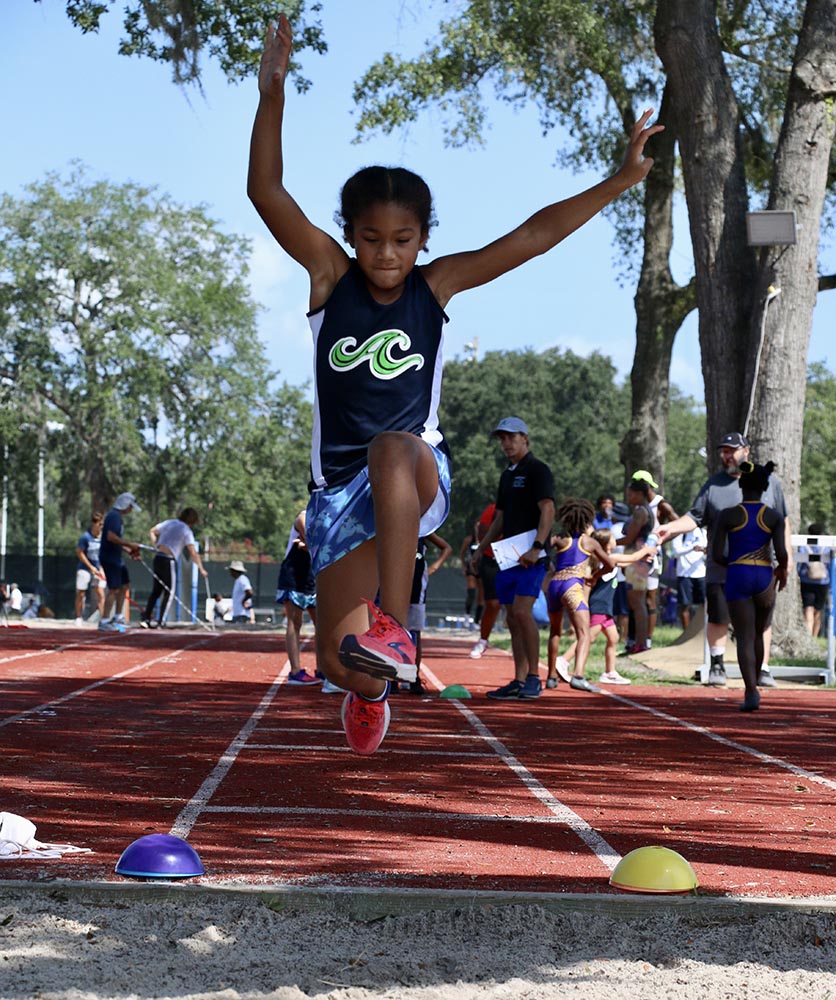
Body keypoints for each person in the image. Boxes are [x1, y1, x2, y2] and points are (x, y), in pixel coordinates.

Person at [248, 15, 662, 753]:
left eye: (402, 241)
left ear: (424, 239)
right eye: (371, 239)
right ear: (349, 234)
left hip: (414, 468)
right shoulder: (327, 278)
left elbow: (532, 235)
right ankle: (374, 683)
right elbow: (266, 190)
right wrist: (272, 93)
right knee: (342, 667)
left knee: (391, 444)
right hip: (338, 486)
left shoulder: (434, 288)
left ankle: (397, 629)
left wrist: (622, 179)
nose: (386, 254)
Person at [657, 432, 791, 688]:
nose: (726, 455)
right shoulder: (714, 486)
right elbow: (695, 517)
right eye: (723, 451)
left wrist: (787, 561)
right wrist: (671, 528)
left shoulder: (769, 482)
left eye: (731, 450)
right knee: (719, 617)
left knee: (762, 622)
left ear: (746, 451)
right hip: (723, 571)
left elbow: (783, 521)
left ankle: (761, 669)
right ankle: (717, 665)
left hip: (761, 570)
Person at [471, 417, 555, 700]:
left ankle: (534, 677)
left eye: (510, 437)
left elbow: (548, 510)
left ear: (525, 438)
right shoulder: (507, 475)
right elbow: (500, 518)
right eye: (501, 438)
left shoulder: (538, 470)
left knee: (522, 612)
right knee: (512, 619)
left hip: (532, 556)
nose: (505, 443)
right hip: (508, 556)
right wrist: (480, 547)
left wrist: (537, 546)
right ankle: (518, 680)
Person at [712, 461, 788, 711]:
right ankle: (756, 682)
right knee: (759, 630)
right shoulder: (773, 516)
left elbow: (717, 555)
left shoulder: (729, 515)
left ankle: (751, 690)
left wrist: (733, 565)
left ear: (741, 484)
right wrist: (781, 570)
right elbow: (782, 553)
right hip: (765, 574)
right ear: (765, 487)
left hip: (739, 571)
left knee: (744, 636)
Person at [560, 528, 657, 685]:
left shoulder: (603, 559)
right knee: (588, 637)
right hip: (599, 606)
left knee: (614, 638)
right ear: (606, 543)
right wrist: (647, 549)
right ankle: (564, 660)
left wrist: (644, 554)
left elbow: (631, 560)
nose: (615, 540)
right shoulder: (609, 558)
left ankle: (610, 672)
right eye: (613, 538)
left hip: (606, 607)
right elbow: (632, 557)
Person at [546, 498, 616, 692]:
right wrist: (595, 576)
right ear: (587, 521)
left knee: (555, 631)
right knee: (584, 633)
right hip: (573, 586)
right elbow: (610, 564)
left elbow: (542, 552)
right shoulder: (589, 542)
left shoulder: (559, 538)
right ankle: (578, 675)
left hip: (554, 585)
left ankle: (551, 676)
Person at [630, 470, 678, 645]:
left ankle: (647, 640)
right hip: (637, 555)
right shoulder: (637, 505)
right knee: (635, 597)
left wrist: (658, 541)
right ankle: (634, 639)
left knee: (649, 597)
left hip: (653, 557)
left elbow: (677, 524)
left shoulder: (661, 504)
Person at [141, 508, 208, 629]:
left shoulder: (169, 523)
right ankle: (161, 621)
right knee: (169, 592)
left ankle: (146, 618)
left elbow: (152, 531)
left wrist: (156, 545)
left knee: (156, 591)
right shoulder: (186, 531)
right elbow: (193, 552)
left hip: (158, 558)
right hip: (169, 560)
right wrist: (201, 568)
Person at [402, 531, 452, 694]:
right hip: (394, 580)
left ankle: (413, 677)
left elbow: (446, 548)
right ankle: (391, 678)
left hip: (417, 583)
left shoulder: (423, 528)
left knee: (414, 630)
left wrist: (434, 566)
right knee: (392, 626)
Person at [276, 510, 319, 685]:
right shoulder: (303, 516)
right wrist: (310, 543)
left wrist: (310, 545)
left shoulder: (328, 520)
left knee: (322, 625)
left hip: (312, 578)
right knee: (295, 623)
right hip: (293, 576)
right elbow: (310, 537)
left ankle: (323, 669)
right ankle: (295, 671)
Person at [620, 479, 656, 655]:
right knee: (636, 602)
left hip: (638, 559)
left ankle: (642, 642)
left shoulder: (641, 512)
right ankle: (640, 641)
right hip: (637, 558)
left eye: (631, 494)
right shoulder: (641, 511)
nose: (629, 497)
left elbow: (629, 538)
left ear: (640, 494)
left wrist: (606, 541)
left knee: (638, 602)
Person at [98, 493, 142, 633]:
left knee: (125, 585)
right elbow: (111, 537)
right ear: (125, 505)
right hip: (110, 558)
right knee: (114, 589)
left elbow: (116, 539)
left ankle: (118, 617)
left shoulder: (117, 517)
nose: (130, 510)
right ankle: (105, 620)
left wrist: (128, 549)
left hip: (117, 558)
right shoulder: (114, 517)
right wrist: (130, 543)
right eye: (130, 507)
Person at [469, 502, 502, 659]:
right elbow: (483, 534)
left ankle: (521, 646)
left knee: (517, 608)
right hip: (492, 558)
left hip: (517, 559)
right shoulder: (492, 510)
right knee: (493, 604)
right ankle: (483, 640)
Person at [671, 526, 707, 630]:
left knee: (705, 604)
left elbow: (706, 550)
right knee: (685, 605)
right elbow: (675, 552)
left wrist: (703, 550)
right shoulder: (680, 533)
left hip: (700, 572)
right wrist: (692, 548)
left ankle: (703, 632)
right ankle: (686, 633)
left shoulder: (702, 531)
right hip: (684, 573)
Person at [798, 522, 830, 638]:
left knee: (808, 608)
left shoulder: (803, 545)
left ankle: (808, 634)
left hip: (807, 580)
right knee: (819, 609)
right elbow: (829, 564)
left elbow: (800, 564)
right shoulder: (825, 546)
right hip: (823, 582)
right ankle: (815, 636)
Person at [74, 513, 105, 625]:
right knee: (81, 593)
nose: (101, 527)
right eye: (99, 524)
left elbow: (103, 555)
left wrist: (101, 568)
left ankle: (104, 619)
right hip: (84, 568)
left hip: (98, 569)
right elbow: (79, 552)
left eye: (102, 524)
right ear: (93, 524)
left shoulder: (103, 538)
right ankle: (78, 617)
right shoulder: (85, 537)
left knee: (100, 593)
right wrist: (90, 567)